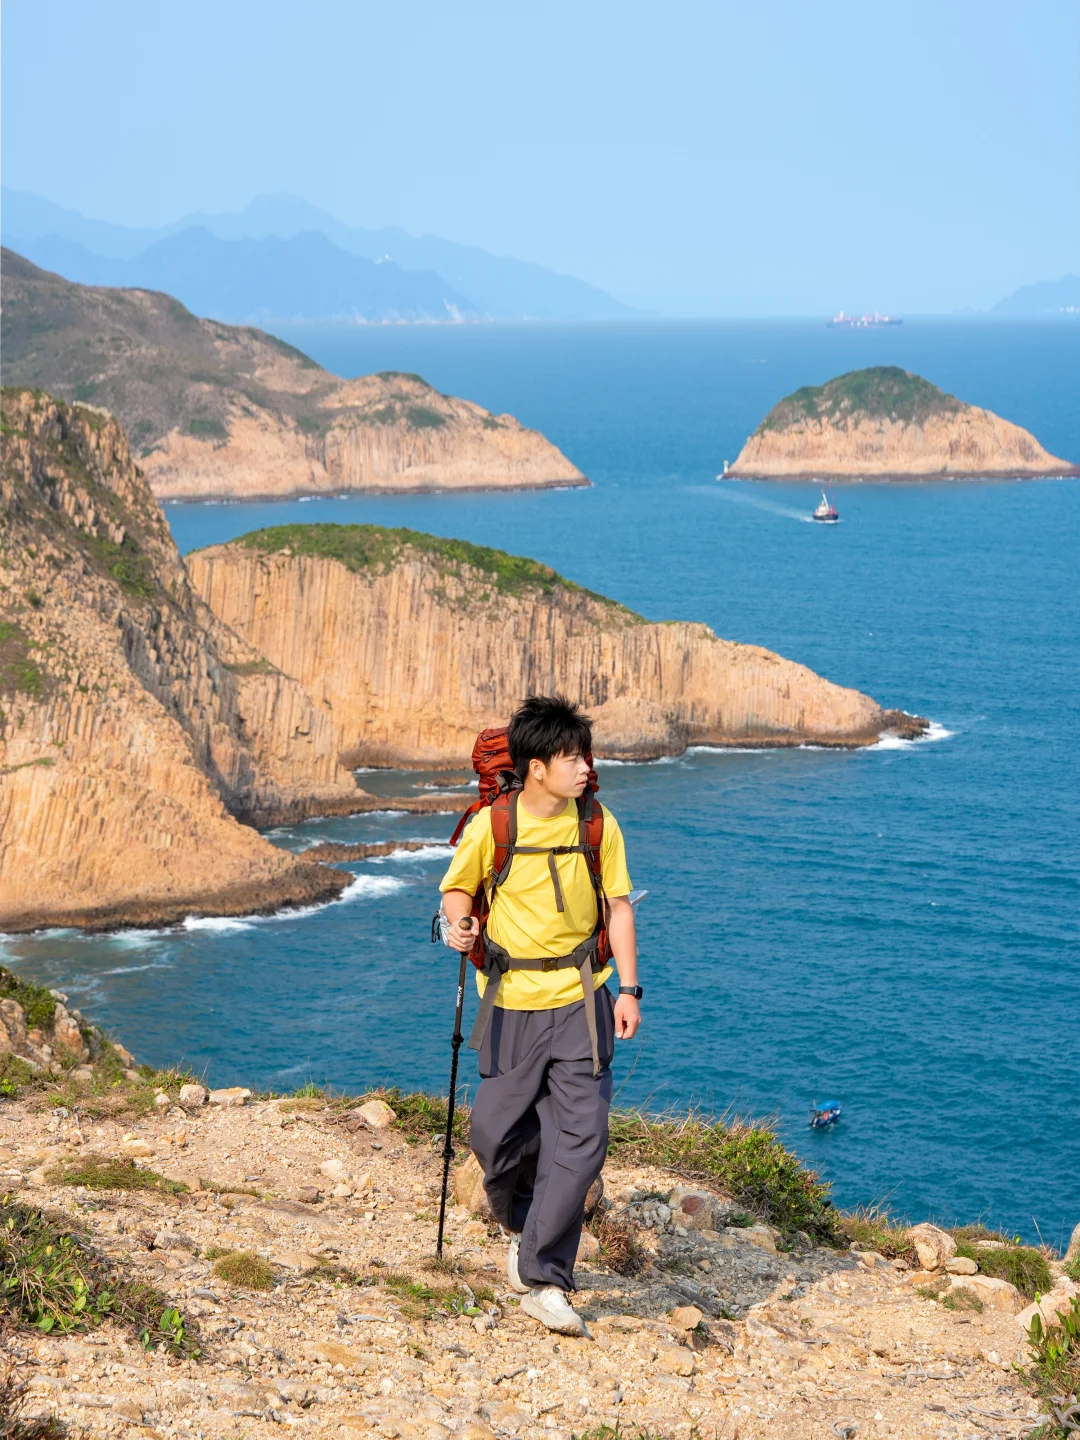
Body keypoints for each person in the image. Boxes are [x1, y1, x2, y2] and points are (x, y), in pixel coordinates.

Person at [439, 694, 641, 1337]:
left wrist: (630, 989)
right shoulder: (494, 825)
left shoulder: (598, 824)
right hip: (510, 1004)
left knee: (581, 1139)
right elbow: (457, 889)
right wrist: (457, 925)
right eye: (571, 758)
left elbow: (619, 908)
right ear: (536, 768)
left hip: (584, 1000)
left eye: (585, 756)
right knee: (496, 1136)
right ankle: (523, 1226)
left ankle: (546, 1277)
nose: (585, 768)